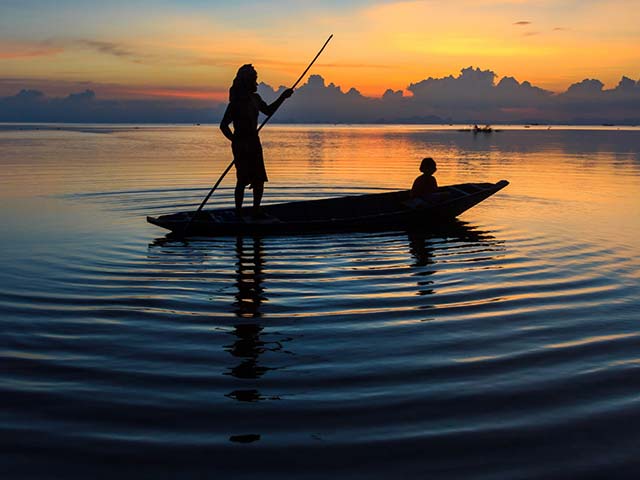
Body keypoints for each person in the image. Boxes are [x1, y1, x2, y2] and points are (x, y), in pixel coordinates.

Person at [220, 64, 293, 218]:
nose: (256, 82)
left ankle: (255, 211)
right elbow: (223, 125)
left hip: (254, 142)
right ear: (247, 81)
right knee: (242, 179)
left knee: (259, 179)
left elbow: (268, 111)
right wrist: (235, 140)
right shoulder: (236, 102)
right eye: (254, 79)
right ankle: (239, 213)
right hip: (241, 144)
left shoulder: (255, 98)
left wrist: (282, 97)